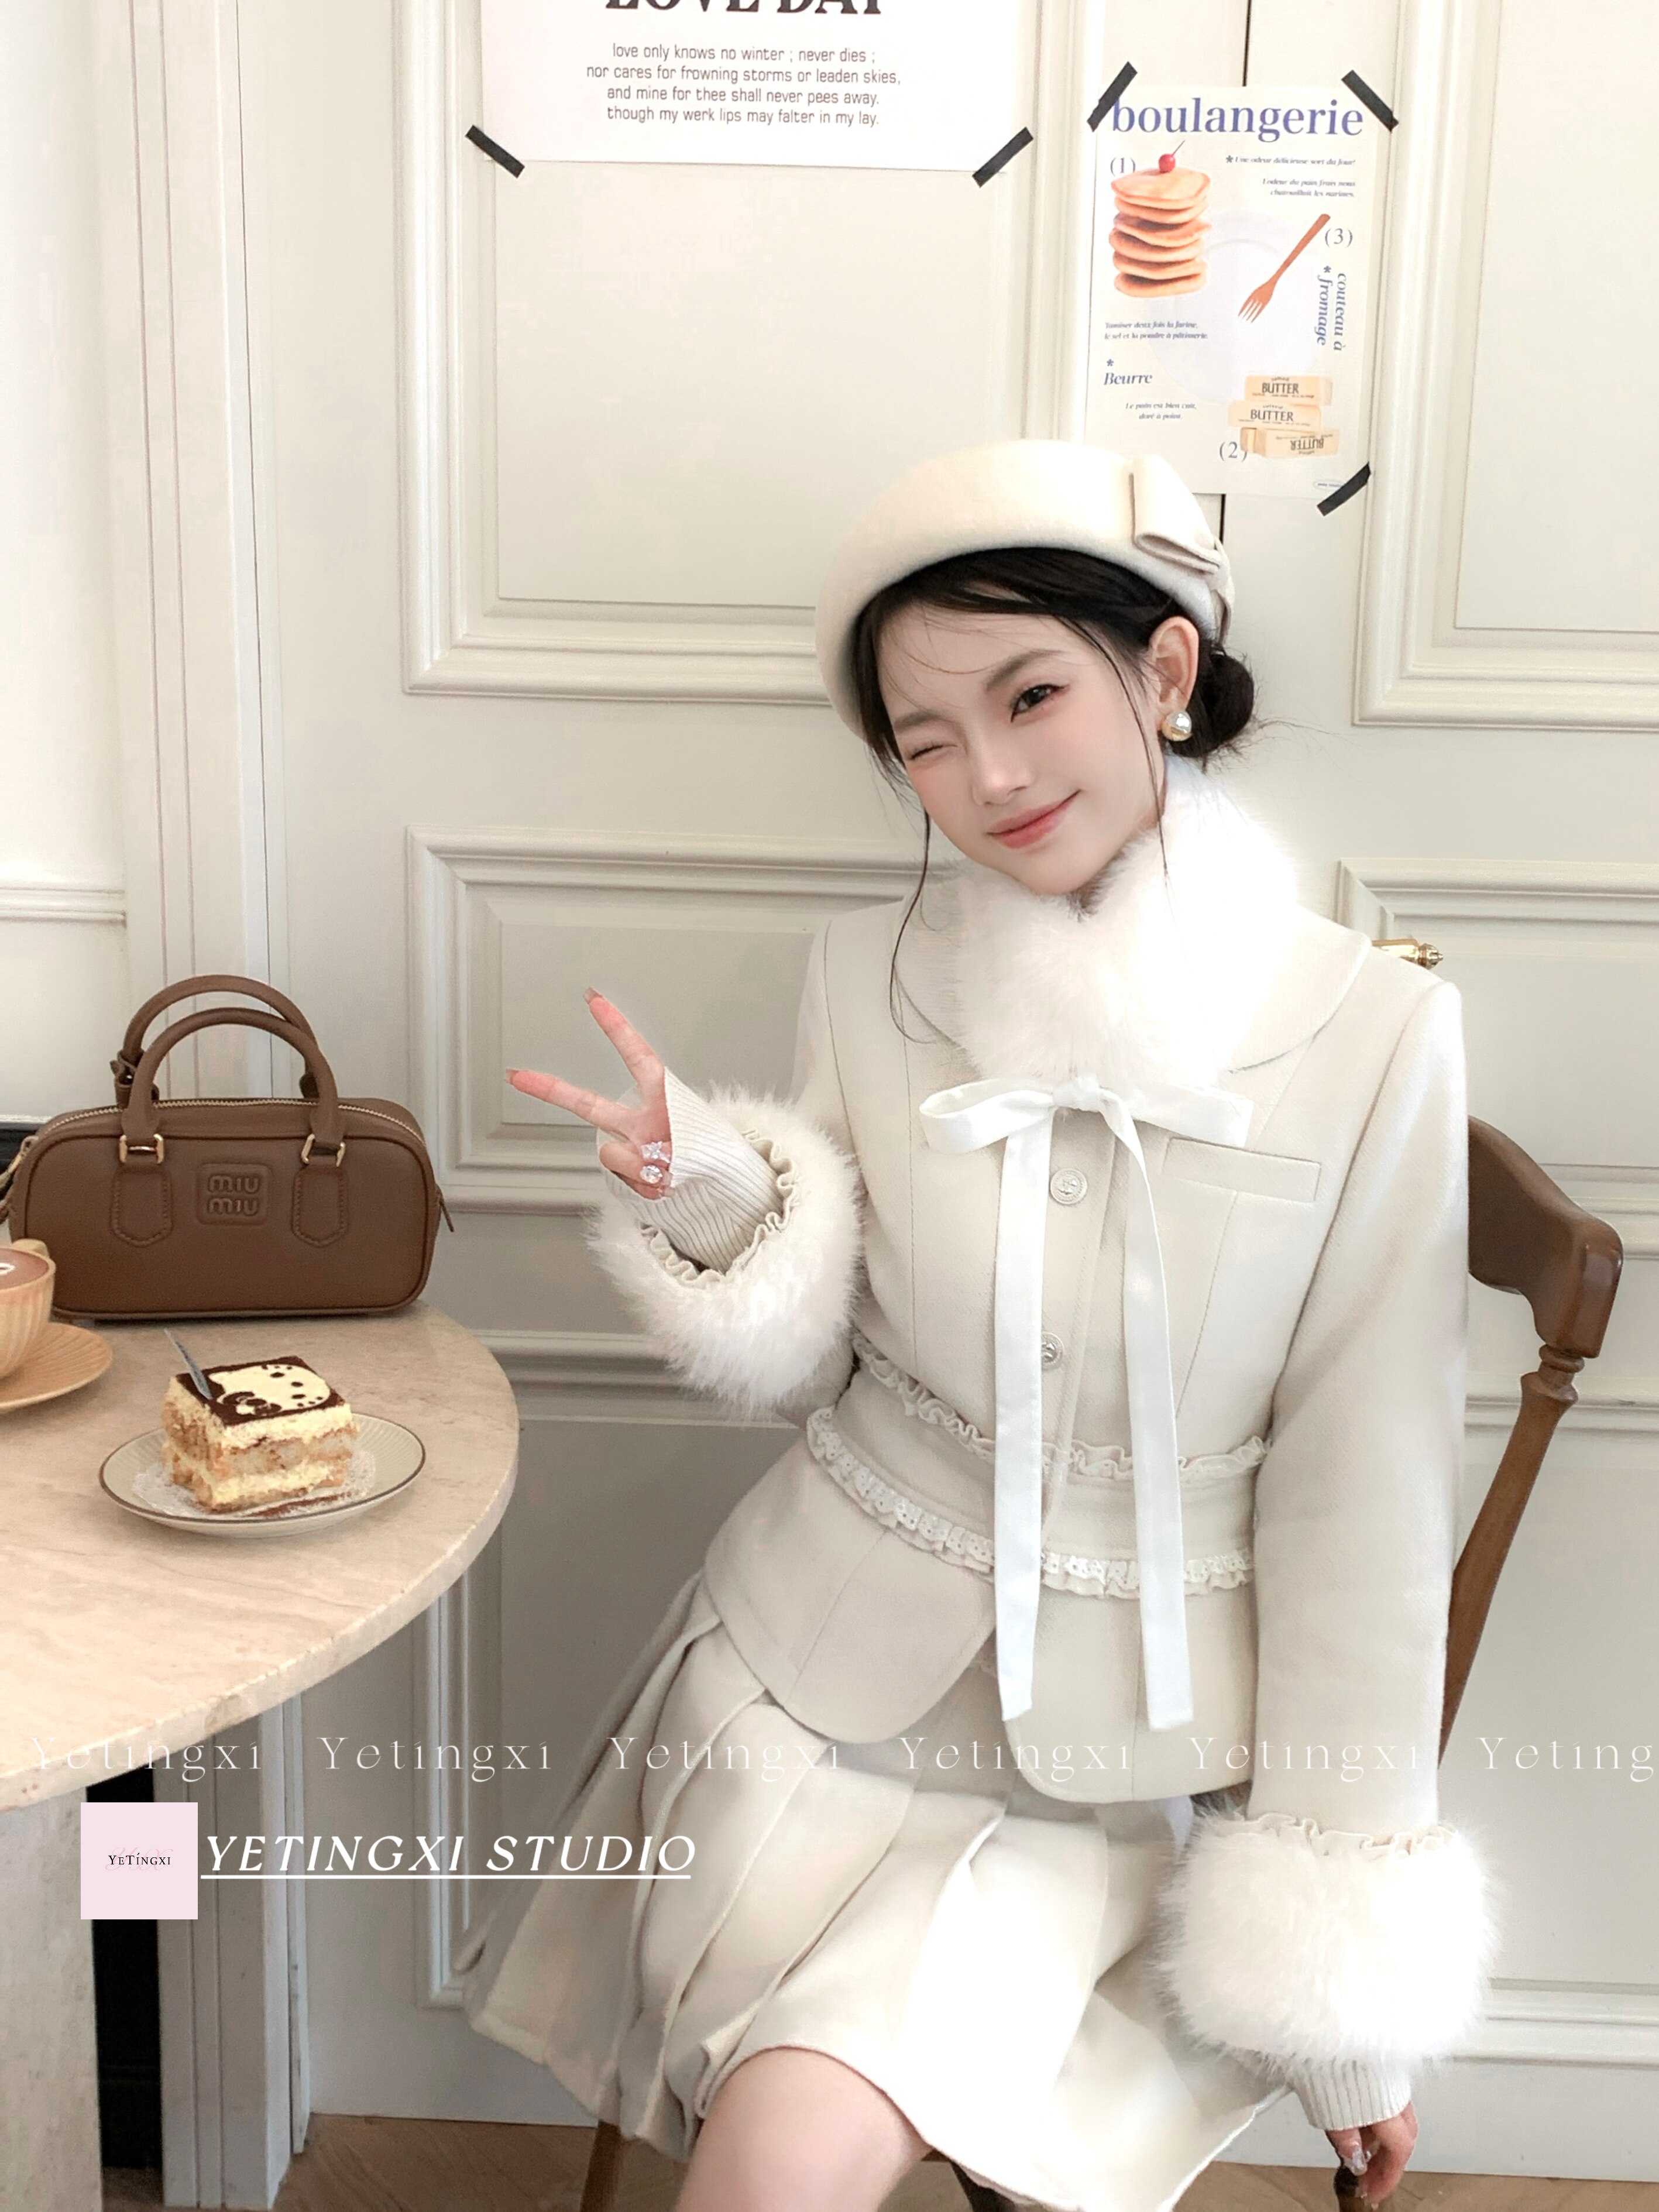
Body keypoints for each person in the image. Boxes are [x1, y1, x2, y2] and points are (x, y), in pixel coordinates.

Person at [458, 441, 1499, 2212]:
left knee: (780, 2148)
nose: (985, 777)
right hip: (798, 1706)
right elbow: (813, 1368)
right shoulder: (864, 973)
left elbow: (1368, 1512)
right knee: (776, 2140)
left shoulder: (1373, 1032)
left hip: (1118, 1798)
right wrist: (719, 1200)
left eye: (1029, 696)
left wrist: (1345, 2013)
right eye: (922, 738)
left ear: (1162, 673)